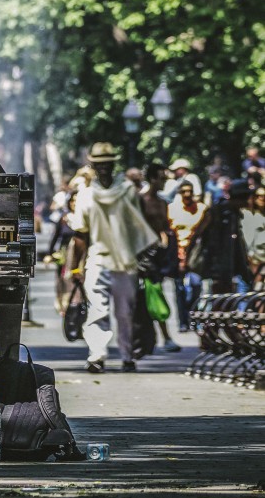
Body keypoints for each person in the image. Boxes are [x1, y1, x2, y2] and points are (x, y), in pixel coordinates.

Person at [67, 142, 158, 374]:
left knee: (125, 314)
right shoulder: (86, 195)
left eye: (108, 164)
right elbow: (81, 234)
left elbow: (139, 226)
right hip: (98, 259)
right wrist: (75, 267)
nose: (104, 169)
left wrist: (143, 258)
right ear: (93, 165)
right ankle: (97, 355)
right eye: (100, 165)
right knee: (97, 310)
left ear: (113, 164)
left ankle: (127, 355)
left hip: (126, 261)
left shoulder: (127, 190)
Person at [138, 163, 179, 352]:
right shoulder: (141, 200)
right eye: (162, 178)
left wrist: (165, 242)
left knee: (155, 294)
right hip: (142, 255)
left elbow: (164, 227)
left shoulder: (162, 202)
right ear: (152, 178)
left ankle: (161, 337)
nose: (164, 182)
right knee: (147, 296)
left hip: (158, 255)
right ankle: (154, 337)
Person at [199, 179, 253, 294]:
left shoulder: (234, 214)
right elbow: (212, 244)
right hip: (218, 273)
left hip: (229, 272)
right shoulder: (218, 213)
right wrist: (216, 274)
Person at [168, 182, 209, 331]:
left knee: (196, 286)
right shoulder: (172, 209)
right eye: (184, 191)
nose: (187, 194)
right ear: (179, 193)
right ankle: (183, 321)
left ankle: (194, 318)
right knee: (179, 289)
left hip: (195, 254)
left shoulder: (201, 209)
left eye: (190, 191)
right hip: (177, 253)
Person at [43, 190, 78, 313]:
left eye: (77, 200)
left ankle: (76, 304)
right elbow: (55, 237)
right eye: (73, 200)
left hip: (80, 255)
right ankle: (64, 304)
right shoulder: (64, 219)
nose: (75, 203)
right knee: (63, 279)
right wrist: (49, 254)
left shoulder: (84, 219)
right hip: (65, 254)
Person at [241, 186, 265, 288]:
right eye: (259, 196)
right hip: (254, 259)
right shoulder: (248, 214)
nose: (262, 198)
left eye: (264, 196)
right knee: (257, 288)